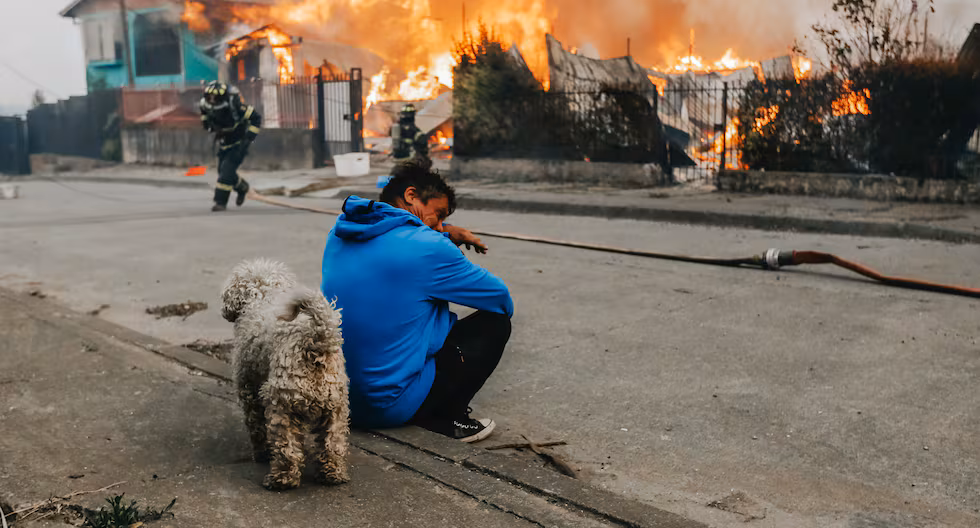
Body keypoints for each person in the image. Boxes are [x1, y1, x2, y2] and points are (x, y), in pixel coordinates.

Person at [320, 161, 513, 442]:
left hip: (337, 400)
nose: (438, 225)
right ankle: (448, 417)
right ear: (411, 196)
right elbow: (500, 299)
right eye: (438, 214)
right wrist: (444, 242)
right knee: (495, 324)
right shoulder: (428, 247)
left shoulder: (340, 233)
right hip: (385, 408)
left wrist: (443, 232)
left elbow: (395, 254)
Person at [199, 81, 262, 212]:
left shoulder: (235, 106)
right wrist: (207, 125)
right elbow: (204, 115)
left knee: (226, 172)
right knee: (223, 172)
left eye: (215, 97)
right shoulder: (205, 104)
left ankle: (220, 202)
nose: (212, 100)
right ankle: (242, 187)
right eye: (209, 97)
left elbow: (256, 118)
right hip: (224, 143)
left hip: (239, 143)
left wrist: (249, 138)